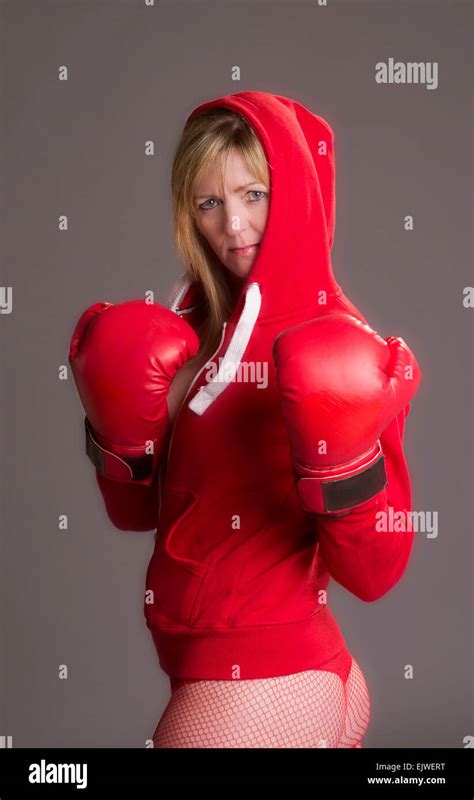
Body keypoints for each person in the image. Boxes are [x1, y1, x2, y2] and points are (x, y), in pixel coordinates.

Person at [68, 91, 422, 748]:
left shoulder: (337, 338)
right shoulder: (193, 327)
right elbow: (134, 513)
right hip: (221, 670)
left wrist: (341, 461)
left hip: (270, 678)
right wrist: (117, 430)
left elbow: (377, 572)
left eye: (253, 194)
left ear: (292, 195)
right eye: (209, 202)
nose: (233, 224)